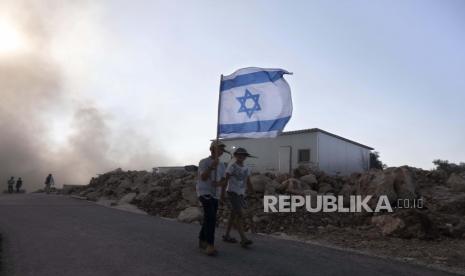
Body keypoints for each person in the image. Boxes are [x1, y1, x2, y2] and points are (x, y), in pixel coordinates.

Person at [196, 141, 229, 256]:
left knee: (209, 217)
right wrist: (211, 166)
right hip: (204, 192)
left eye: (222, 149)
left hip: (215, 194)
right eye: (220, 148)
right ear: (212, 149)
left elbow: (224, 180)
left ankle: (201, 239)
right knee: (211, 218)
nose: (221, 151)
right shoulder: (204, 162)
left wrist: (219, 184)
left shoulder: (222, 165)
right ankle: (210, 245)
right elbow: (203, 177)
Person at [222, 147, 254, 248]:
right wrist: (222, 193)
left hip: (240, 194)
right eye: (239, 155)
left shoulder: (247, 168)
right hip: (232, 193)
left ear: (245, 157)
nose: (241, 156)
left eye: (243, 155)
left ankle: (227, 235)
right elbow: (225, 181)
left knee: (233, 215)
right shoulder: (231, 166)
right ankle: (243, 239)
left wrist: (253, 193)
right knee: (239, 214)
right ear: (235, 156)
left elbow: (248, 181)